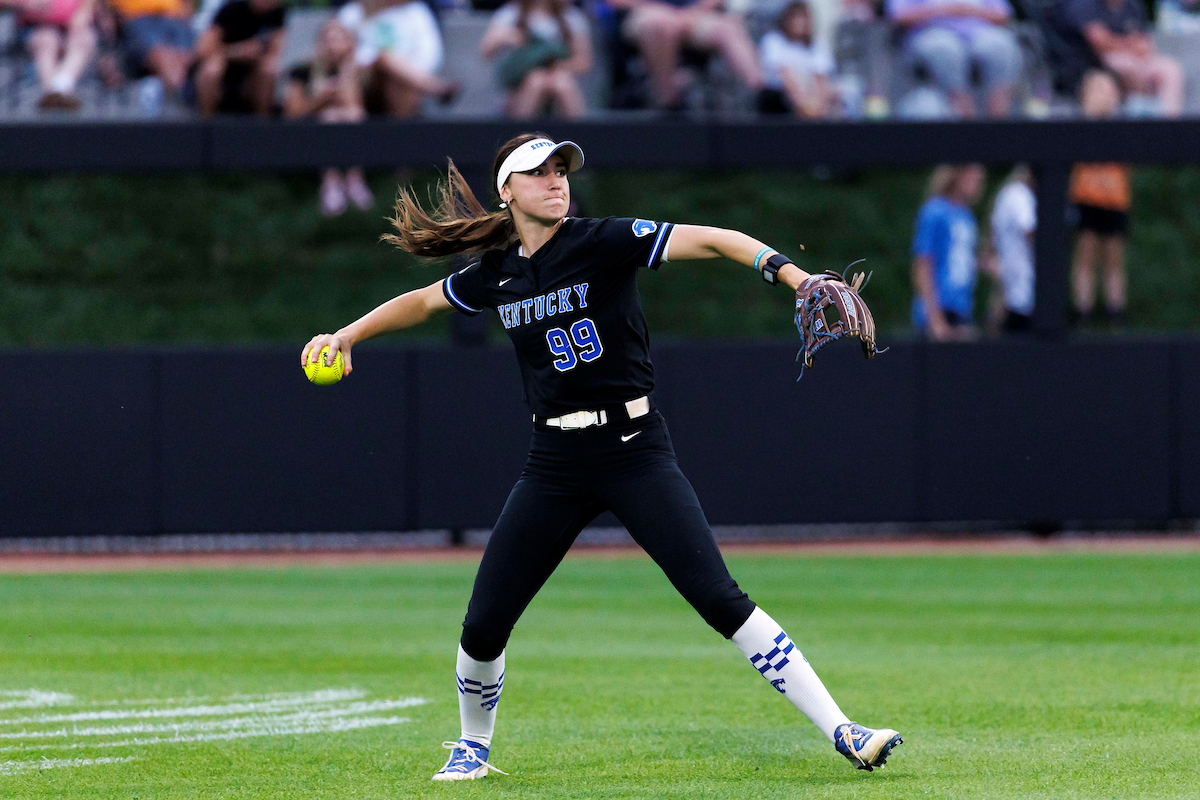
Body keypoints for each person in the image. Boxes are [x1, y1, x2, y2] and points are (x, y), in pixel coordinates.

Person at [301, 133, 903, 780]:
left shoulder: (603, 240)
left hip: (635, 451)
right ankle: (472, 747)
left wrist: (795, 275)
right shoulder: (500, 273)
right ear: (508, 191)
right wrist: (348, 333)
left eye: (561, 169)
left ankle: (843, 728)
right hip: (555, 462)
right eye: (537, 172)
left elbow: (718, 238)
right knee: (484, 623)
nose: (556, 180)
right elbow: (422, 302)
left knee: (719, 597)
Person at [283, 19, 373, 217]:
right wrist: (321, 99)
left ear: (350, 43)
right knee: (329, 115)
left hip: (355, 129)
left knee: (350, 114)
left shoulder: (362, 71)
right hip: (308, 138)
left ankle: (353, 179)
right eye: (327, 40)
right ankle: (330, 181)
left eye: (339, 39)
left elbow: (356, 108)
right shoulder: (302, 70)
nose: (332, 46)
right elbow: (292, 114)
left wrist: (346, 71)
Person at [607, 0, 763, 111]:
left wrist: (689, 14)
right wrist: (667, 12)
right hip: (645, 15)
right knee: (659, 24)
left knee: (728, 26)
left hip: (693, 16)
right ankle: (669, 102)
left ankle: (761, 94)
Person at [886, 0, 1022, 117]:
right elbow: (898, 16)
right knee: (945, 47)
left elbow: (1003, 15)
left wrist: (970, 11)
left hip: (978, 31)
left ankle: (999, 121)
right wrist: (944, 10)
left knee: (1000, 44)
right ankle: (965, 117)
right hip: (930, 32)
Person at [1070, 71, 1130, 325]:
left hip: (1115, 198)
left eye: (1107, 89)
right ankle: (1083, 309)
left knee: (1114, 255)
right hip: (1086, 196)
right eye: (1097, 89)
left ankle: (1115, 310)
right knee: (1086, 252)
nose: (1103, 94)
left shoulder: (1122, 126)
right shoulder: (1080, 124)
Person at [1052, 0, 1183, 115]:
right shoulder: (1084, 4)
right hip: (1092, 70)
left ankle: (1170, 125)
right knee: (1116, 71)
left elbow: (1145, 44)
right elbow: (1099, 41)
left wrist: (1126, 46)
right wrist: (1129, 44)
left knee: (1170, 69)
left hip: (1134, 63)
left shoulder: (1133, 5)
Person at [336, 0, 458, 118]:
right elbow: (340, 51)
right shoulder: (353, 12)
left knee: (399, 79)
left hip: (404, 80)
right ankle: (434, 87)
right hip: (362, 79)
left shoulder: (416, 12)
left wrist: (402, 70)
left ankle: (400, 132)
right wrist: (377, 59)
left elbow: (430, 54)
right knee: (384, 58)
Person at [479, 0, 593, 118]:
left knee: (563, 83)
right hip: (519, 84)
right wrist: (508, 36)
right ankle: (522, 133)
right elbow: (486, 51)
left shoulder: (571, 17)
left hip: (558, 76)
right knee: (536, 81)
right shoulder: (511, 13)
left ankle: (575, 134)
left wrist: (552, 68)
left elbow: (583, 61)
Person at [911, 163, 985, 340]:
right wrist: (935, 319)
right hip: (937, 311)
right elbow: (922, 265)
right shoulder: (934, 211)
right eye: (973, 176)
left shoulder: (967, 216)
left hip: (961, 312)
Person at [194, 0, 285, 115]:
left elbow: (279, 48)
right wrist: (238, 51)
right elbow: (204, 49)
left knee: (269, 68)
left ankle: (263, 124)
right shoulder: (231, 10)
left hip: (253, 72)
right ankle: (205, 123)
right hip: (226, 63)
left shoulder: (276, 14)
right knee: (212, 69)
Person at [5, 0, 97, 109]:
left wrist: (84, 12)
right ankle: (57, 92)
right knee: (46, 40)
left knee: (85, 39)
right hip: (36, 27)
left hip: (73, 27)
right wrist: (26, 4)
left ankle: (58, 89)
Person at [757, 0, 838, 117]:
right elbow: (785, 76)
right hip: (780, 100)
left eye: (803, 18)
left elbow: (821, 78)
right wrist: (803, 104)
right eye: (795, 17)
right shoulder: (773, 41)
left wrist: (818, 105)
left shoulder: (817, 45)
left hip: (813, 99)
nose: (799, 22)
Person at [107, 0, 196, 97]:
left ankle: (182, 100)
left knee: (188, 57)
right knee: (162, 57)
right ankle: (181, 99)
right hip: (137, 18)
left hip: (175, 18)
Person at [988, 165, 1036, 332]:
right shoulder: (1019, 195)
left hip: (1009, 289)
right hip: (1020, 295)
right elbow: (1031, 231)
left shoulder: (1007, 194)